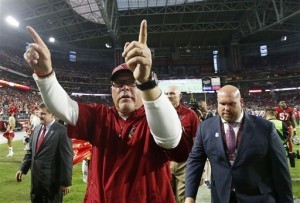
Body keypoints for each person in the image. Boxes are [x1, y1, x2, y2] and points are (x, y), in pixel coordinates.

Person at [23, 20, 191, 202]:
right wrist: (46, 75)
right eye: (119, 83)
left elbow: (170, 139)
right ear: (111, 90)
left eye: (132, 82)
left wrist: (146, 81)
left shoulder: (154, 116)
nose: (125, 88)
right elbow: (65, 108)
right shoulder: (100, 116)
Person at [185, 85, 293, 203]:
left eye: (231, 104)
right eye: (222, 104)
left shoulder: (264, 128)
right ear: (217, 103)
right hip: (222, 197)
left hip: (258, 198)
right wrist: (190, 196)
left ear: (241, 102)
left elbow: (280, 169)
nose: (226, 108)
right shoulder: (205, 128)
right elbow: (195, 161)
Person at [15, 103, 73, 203]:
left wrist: (66, 182)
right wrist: (22, 169)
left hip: (52, 185)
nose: (40, 116)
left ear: (53, 115)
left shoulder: (62, 131)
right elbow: (31, 152)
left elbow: (67, 158)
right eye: (39, 113)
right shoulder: (36, 129)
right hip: (36, 183)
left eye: (43, 114)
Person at [165, 85, 199, 203]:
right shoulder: (160, 114)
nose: (169, 96)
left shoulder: (190, 114)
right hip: (165, 162)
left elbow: (197, 141)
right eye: (167, 94)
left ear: (179, 96)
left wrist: (197, 164)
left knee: (183, 198)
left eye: (172, 94)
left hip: (185, 163)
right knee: (166, 197)